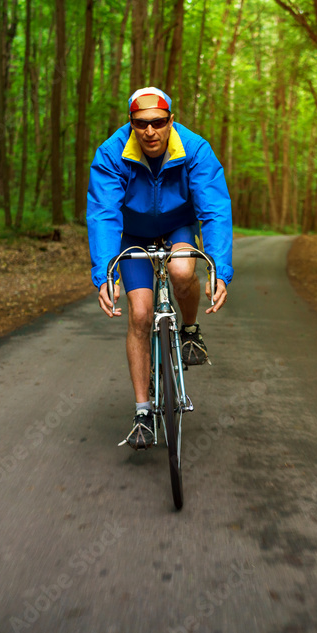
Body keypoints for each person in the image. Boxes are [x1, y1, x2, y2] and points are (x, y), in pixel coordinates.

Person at [87, 87, 233, 449]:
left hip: (178, 226)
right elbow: (104, 214)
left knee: (183, 271)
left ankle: (189, 330)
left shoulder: (195, 149)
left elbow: (214, 210)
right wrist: (105, 274)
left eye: (158, 122)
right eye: (141, 124)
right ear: (131, 124)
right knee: (139, 314)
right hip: (132, 233)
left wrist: (220, 270)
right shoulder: (111, 153)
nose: (150, 131)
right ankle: (141, 413)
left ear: (171, 120)